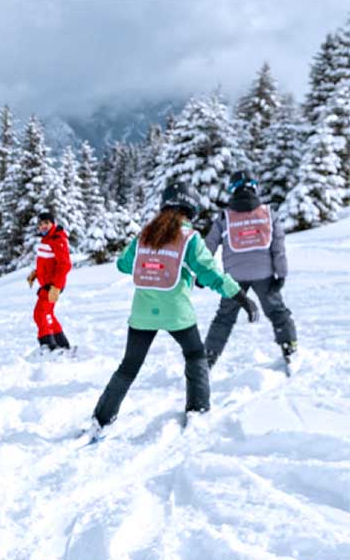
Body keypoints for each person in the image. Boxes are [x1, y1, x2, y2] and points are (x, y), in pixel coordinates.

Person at [91, 181, 259, 430]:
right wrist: (241, 297)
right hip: (176, 312)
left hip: (142, 313)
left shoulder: (145, 234)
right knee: (195, 356)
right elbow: (210, 273)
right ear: (191, 209)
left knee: (128, 366)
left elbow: (124, 265)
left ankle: (102, 418)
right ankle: (198, 408)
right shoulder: (189, 238)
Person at [202, 170, 297, 368]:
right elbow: (278, 245)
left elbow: (208, 246)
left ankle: (209, 357)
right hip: (264, 275)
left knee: (224, 317)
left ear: (232, 190)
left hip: (234, 278)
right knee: (277, 312)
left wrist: (202, 274)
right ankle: (289, 347)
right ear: (254, 187)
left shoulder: (224, 217)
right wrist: (282, 274)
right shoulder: (268, 213)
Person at [25, 210, 72, 351]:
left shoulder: (57, 240)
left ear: (53, 223)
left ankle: (48, 346)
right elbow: (47, 264)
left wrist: (56, 287)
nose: (43, 226)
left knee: (40, 314)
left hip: (52, 286)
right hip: (47, 284)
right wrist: (36, 274)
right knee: (48, 313)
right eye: (41, 224)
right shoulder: (47, 239)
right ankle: (61, 344)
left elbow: (65, 265)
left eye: (46, 223)